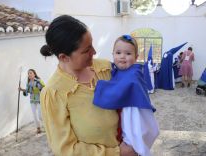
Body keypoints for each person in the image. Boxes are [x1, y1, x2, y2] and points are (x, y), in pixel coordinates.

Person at [39, 15, 137, 156]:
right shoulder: (54, 93)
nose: (94, 52)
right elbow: (65, 150)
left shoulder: (106, 69)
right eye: (86, 50)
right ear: (64, 57)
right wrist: (117, 153)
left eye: (91, 45)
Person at [93, 35, 159, 156]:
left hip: (134, 112)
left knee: (134, 133)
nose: (122, 56)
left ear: (136, 57)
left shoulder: (133, 74)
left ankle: (133, 144)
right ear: (112, 54)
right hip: (123, 115)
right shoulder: (120, 71)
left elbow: (116, 93)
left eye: (128, 53)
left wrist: (100, 86)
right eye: (118, 53)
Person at [19, 69, 45, 134]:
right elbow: (27, 92)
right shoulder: (28, 83)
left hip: (39, 100)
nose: (29, 74)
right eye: (28, 73)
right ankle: (38, 128)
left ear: (34, 74)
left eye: (30, 73)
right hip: (32, 101)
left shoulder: (39, 81)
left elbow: (44, 89)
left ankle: (47, 126)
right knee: (34, 115)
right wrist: (21, 89)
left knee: (40, 116)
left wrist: (37, 89)